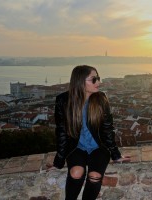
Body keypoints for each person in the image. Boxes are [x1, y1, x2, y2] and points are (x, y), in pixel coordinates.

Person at [47, 65, 130, 200]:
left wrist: (116, 155)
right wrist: (58, 162)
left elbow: (107, 129)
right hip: (76, 147)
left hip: (99, 147)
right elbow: (61, 133)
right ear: (80, 81)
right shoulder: (63, 100)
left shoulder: (101, 99)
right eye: (94, 79)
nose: (98, 82)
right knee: (76, 172)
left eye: (98, 78)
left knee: (95, 175)